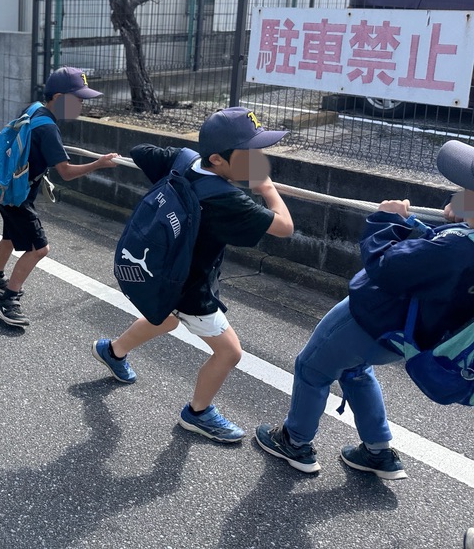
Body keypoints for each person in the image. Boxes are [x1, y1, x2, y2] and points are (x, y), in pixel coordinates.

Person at [255, 139, 474, 478]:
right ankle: (377, 451)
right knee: (355, 370)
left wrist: (384, 220)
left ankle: (294, 441)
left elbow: (387, 267)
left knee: (311, 368)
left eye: (465, 189)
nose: (457, 192)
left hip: (371, 319)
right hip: (405, 336)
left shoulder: (459, 248)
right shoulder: (464, 240)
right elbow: (440, 247)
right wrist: (439, 216)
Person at [91, 106, 294, 442]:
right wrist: (267, 187)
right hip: (192, 285)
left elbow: (141, 152)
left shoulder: (185, 160)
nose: (257, 161)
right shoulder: (227, 200)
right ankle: (197, 413)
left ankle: (112, 351)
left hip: (165, 270)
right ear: (217, 159)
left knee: (167, 318)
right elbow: (284, 227)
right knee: (230, 352)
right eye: (249, 155)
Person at [0, 67, 119, 327]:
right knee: (40, 248)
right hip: (17, 195)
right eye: (77, 99)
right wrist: (98, 164)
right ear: (58, 97)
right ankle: (8, 300)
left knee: (10, 236)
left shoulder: (34, 109)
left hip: (6, 186)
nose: (81, 104)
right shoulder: (49, 130)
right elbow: (66, 172)